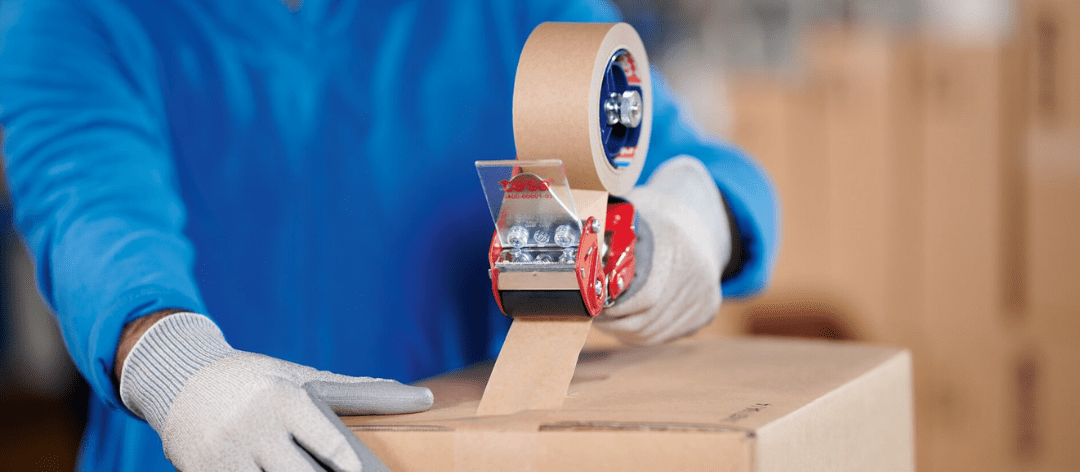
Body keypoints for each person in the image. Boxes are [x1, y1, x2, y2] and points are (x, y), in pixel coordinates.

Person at [0, 0, 778, 471]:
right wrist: (182, 373)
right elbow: (90, 216)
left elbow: (703, 169)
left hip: (458, 456)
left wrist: (692, 221)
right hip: (196, 453)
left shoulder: (508, 10)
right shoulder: (75, 15)